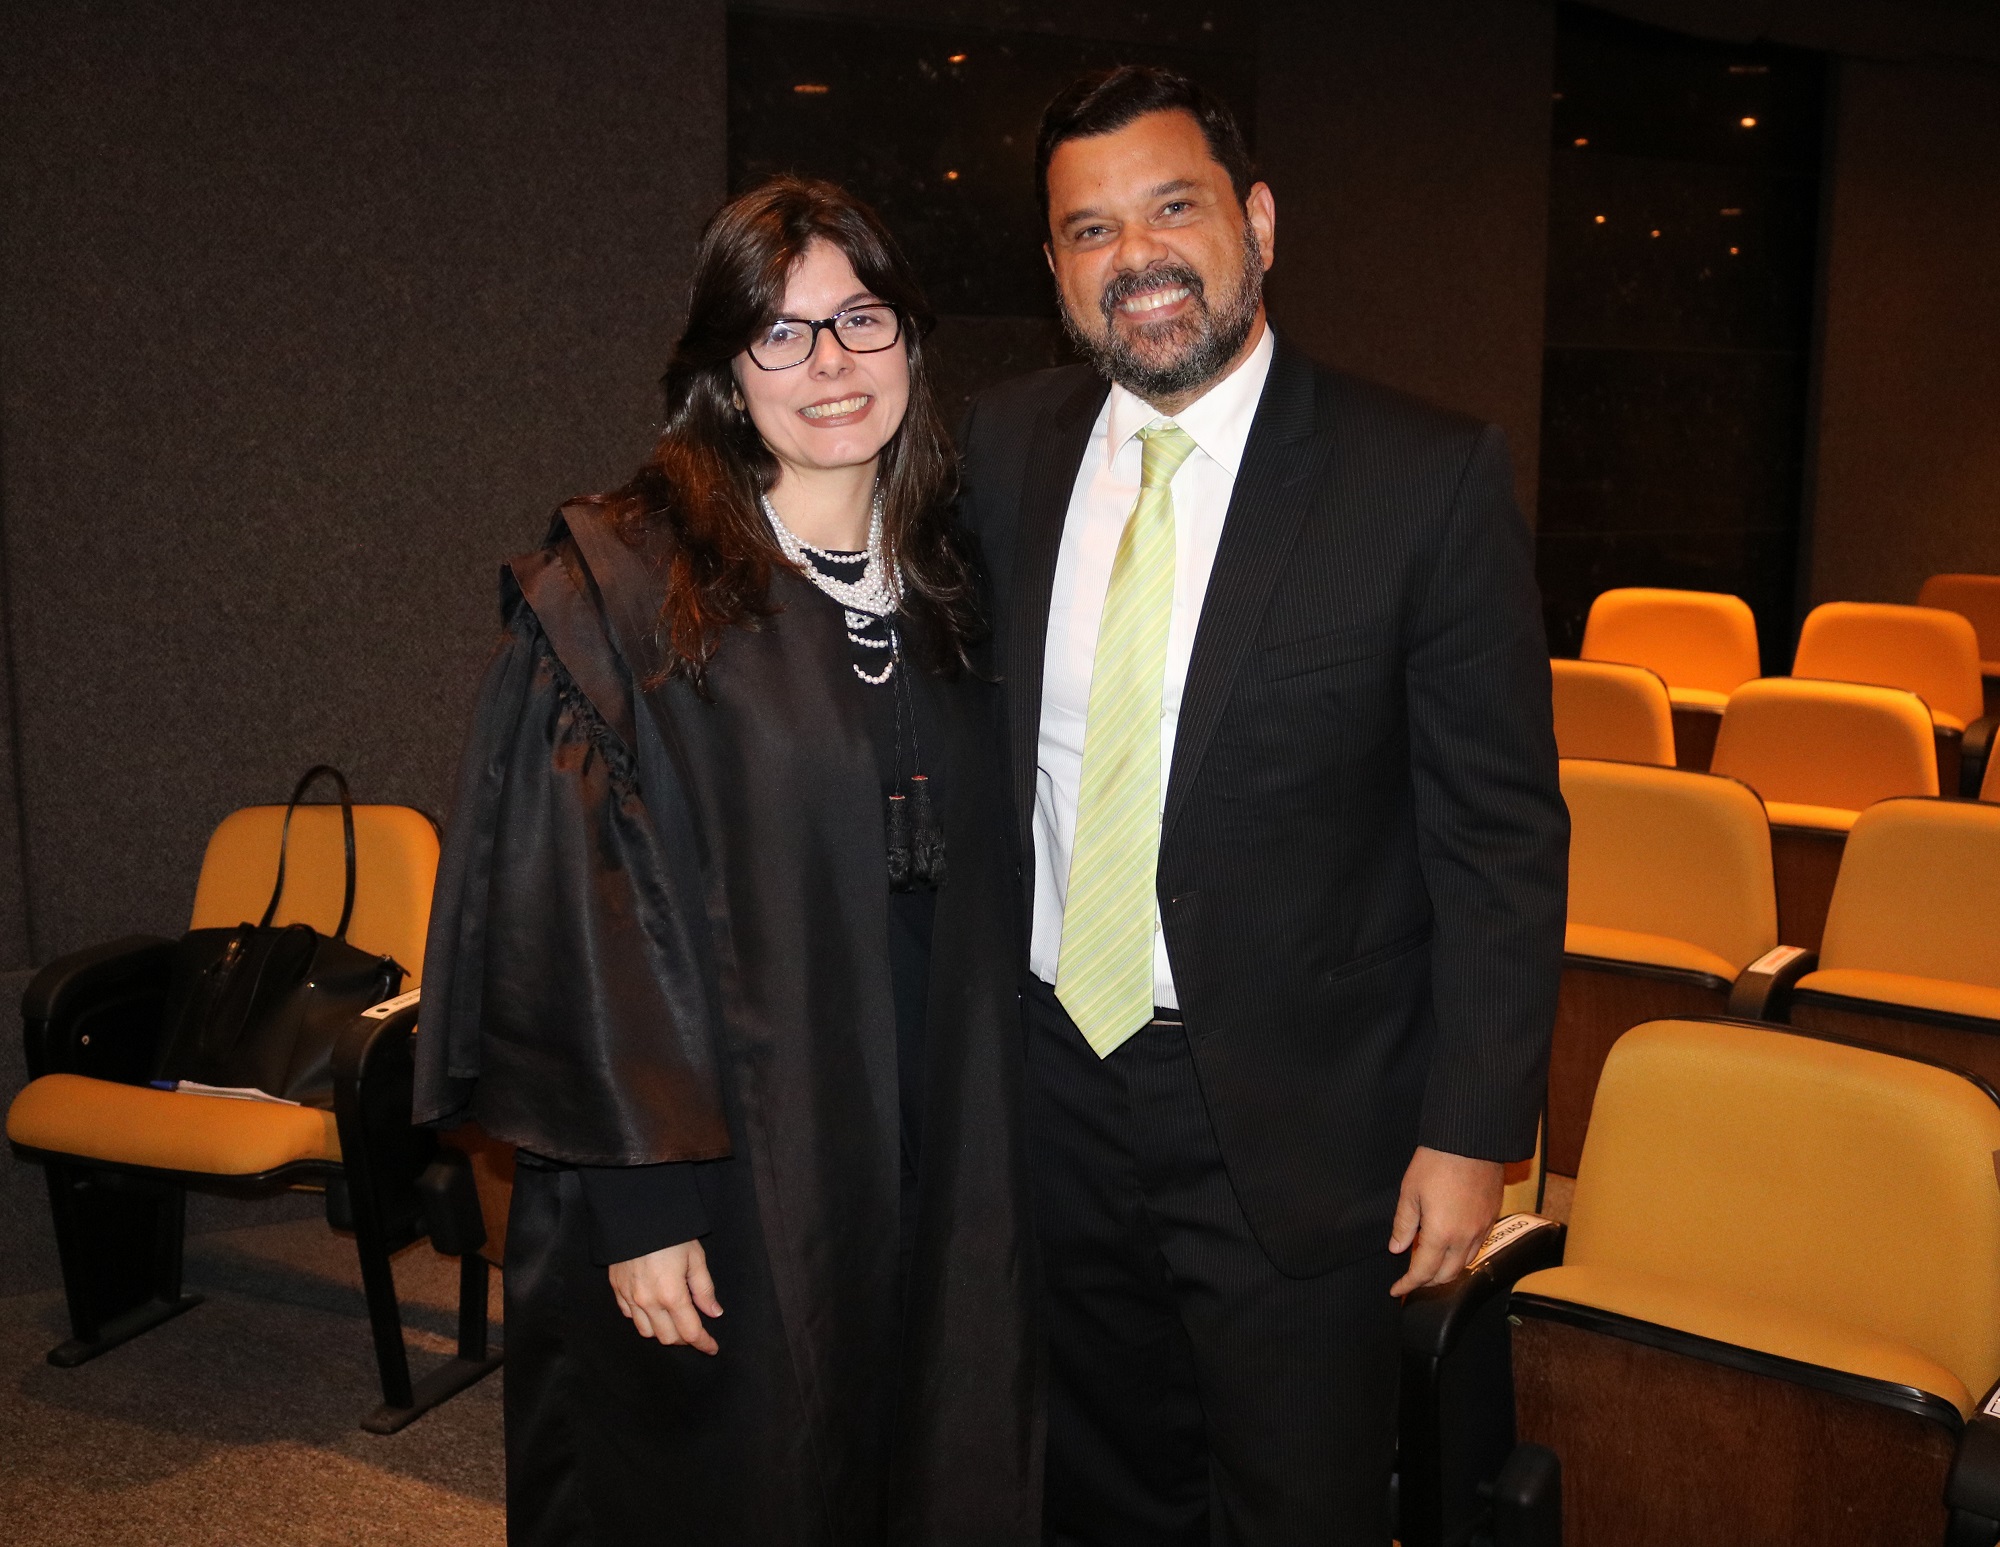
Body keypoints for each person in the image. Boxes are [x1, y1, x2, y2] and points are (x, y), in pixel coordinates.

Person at [954, 67, 1568, 1545]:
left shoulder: (1424, 475)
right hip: (1051, 1084)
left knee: (1298, 1501)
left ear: (1261, 222)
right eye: (1091, 230)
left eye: (1173, 208)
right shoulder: (1000, 448)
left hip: (1301, 1121)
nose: (1138, 257)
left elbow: (1498, 837)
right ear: (1055, 269)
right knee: (1096, 1484)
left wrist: (1472, 1132)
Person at [414, 177, 1038, 1545]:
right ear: (722, 368)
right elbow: (575, 920)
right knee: (747, 1477)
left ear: (910, 338)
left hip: (943, 1135)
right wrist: (640, 1201)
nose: (831, 365)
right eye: (781, 332)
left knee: (928, 1456)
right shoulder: (631, 594)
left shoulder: (960, 577)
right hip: (736, 1149)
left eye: (861, 319)